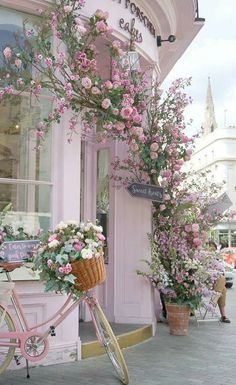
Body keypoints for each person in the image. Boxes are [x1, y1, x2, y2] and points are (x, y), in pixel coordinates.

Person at [207, 241, 231, 323]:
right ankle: (222, 315)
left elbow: (222, 269)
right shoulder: (202, 257)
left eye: (213, 249)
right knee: (222, 283)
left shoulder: (217, 258)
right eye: (210, 248)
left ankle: (214, 302)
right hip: (206, 281)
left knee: (222, 285)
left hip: (215, 282)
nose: (212, 250)